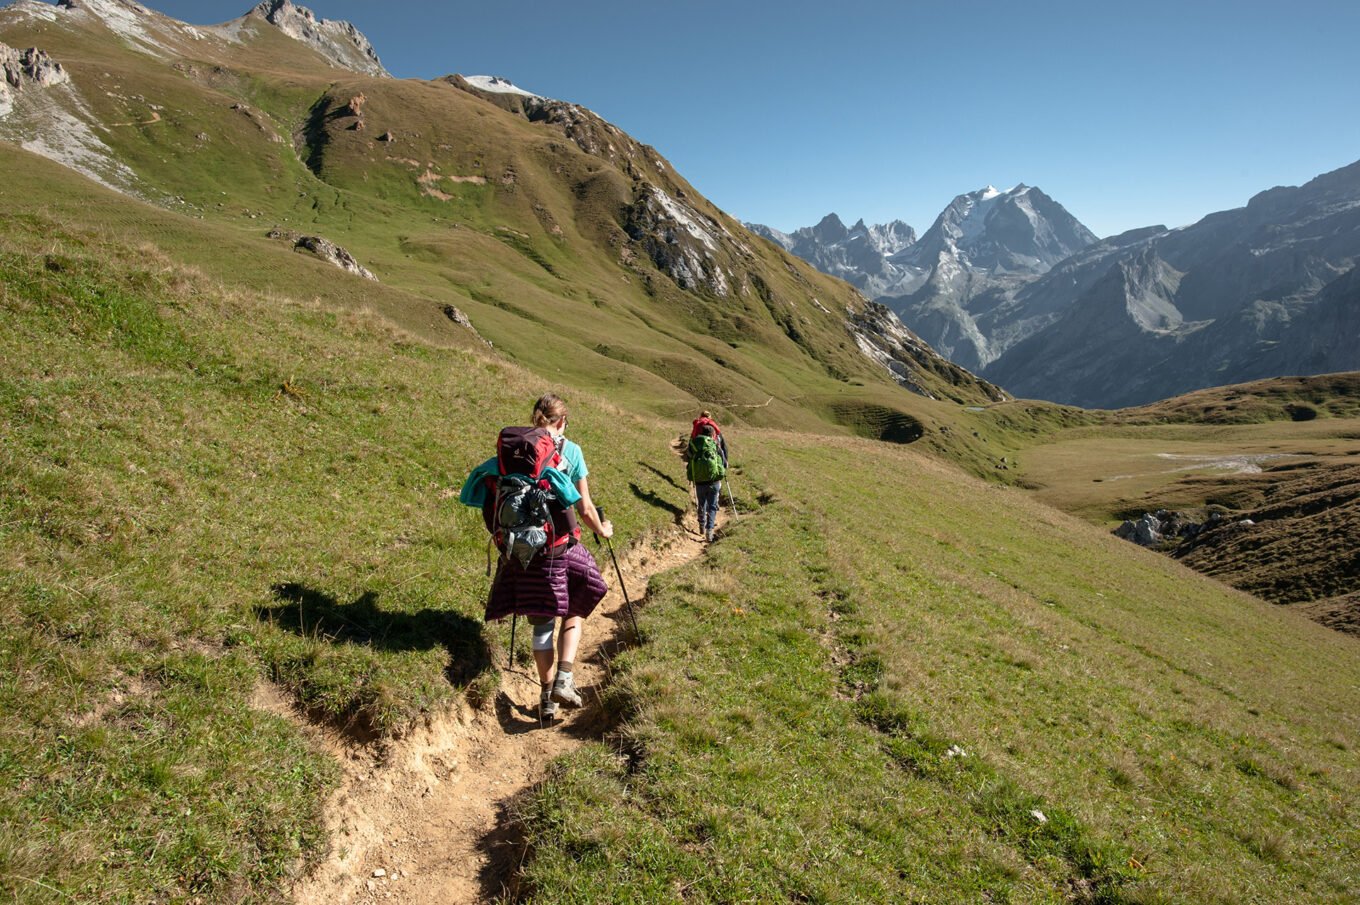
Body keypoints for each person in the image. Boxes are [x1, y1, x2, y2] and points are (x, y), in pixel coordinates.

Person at [461, 393, 612, 722]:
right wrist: (604, 530)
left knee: (542, 625)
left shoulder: (513, 453)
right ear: (562, 421)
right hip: (560, 547)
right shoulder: (571, 452)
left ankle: (546, 697)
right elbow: (584, 508)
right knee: (578, 601)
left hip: (520, 552)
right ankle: (564, 678)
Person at [687, 423, 725, 543]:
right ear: (712, 434)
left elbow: (689, 457)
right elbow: (722, 459)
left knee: (701, 503)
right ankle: (710, 531)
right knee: (712, 506)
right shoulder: (714, 444)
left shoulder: (693, 444)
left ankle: (701, 525)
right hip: (714, 480)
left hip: (699, 480)